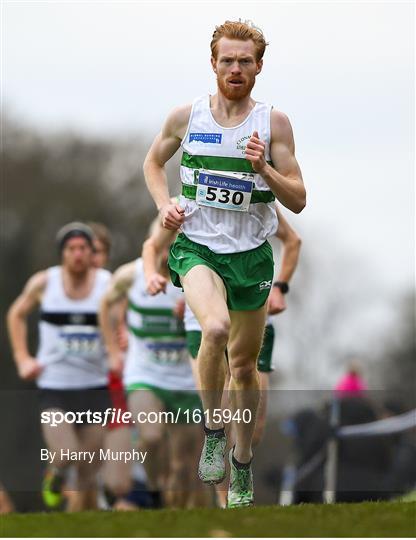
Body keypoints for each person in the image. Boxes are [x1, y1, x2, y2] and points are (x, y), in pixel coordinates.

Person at [143, 19, 305, 507]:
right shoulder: (186, 117)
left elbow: (297, 200)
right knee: (212, 329)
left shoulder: (272, 123)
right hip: (197, 246)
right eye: (227, 60)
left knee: (244, 366)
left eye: (245, 61)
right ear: (213, 63)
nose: (236, 68)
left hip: (251, 257)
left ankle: (241, 462)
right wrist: (162, 205)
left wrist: (264, 169)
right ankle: (214, 429)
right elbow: (152, 163)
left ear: (258, 66)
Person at [99, 228, 207, 509]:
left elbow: (222, 325)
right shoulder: (131, 275)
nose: (166, 252)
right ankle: (155, 488)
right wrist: (113, 349)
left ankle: (172, 516)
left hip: (186, 381)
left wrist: (195, 313)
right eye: (162, 244)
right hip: (144, 375)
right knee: (151, 436)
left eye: (173, 245)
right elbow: (105, 303)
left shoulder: (198, 278)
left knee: (184, 465)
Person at [7, 222, 111, 511]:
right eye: (71, 249)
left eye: (83, 249)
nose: (77, 254)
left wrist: (123, 340)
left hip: (95, 387)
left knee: (89, 472)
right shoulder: (44, 283)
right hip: (55, 388)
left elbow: (125, 315)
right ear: (62, 254)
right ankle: (54, 473)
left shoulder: (107, 283)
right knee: (66, 454)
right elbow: (16, 314)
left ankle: (76, 526)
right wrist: (22, 357)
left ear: (92, 253)